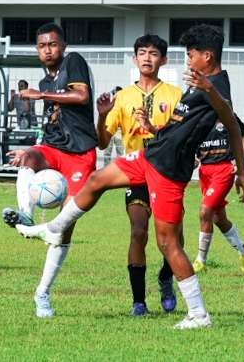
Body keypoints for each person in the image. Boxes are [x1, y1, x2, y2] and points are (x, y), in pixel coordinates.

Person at [16, 24, 244, 330]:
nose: (188, 60)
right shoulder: (201, 83)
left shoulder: (216, 86)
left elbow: (232, 124)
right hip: (150, 153)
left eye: (191, 55)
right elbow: (181, 126)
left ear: (207, 56)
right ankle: (54, 228)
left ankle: (199, 314)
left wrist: (241, 171)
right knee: (98, 180)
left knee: (168, 244)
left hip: (168, 171)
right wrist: (153, 130)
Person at [1, 23, 98, 319]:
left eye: (53, 44)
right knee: (27, 158)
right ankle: (26, 216)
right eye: (42, 46)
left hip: (81, 154)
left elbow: (81, 97)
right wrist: (33, 150)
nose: (48, 50)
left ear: (63, 45)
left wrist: (41, 97)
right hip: (54, 149)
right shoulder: (45, 81)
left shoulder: (74, 63)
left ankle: (42, 293)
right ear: (37, 50)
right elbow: (55, 121)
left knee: (64, 231)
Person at [96, 34, 183, 316]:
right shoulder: (122, 98)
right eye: (142, 53)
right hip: (137, 175)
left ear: (164, 60)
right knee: (138, 231)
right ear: (135, 59)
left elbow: (181, 136)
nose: (147, 58)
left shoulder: (175, 95)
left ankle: (166, 278)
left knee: (172, 240)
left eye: (154, 53)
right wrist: (101, 115)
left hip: (168, 174)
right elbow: (103, 142)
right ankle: (138, 302)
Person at [192, 114, 244, 274]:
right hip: (205, 172)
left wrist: (239, 163)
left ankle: (200, 261)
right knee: (218, 218)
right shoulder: (196, 113)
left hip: (224, 170)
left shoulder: (224, 111)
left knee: (205, 212)